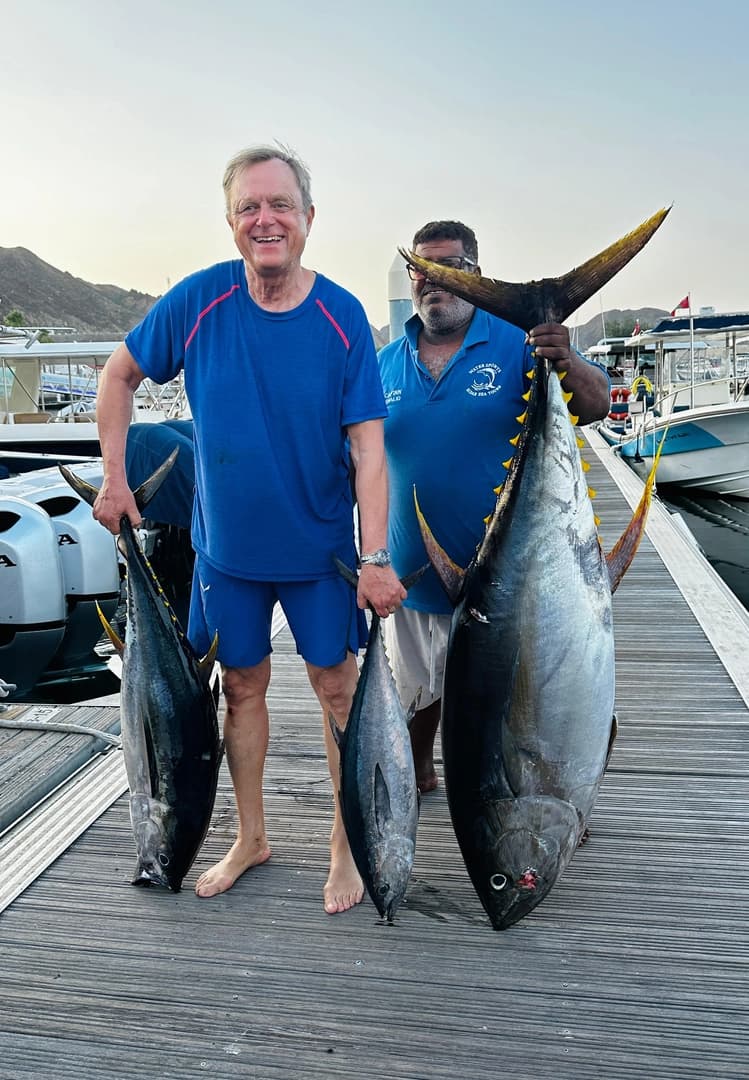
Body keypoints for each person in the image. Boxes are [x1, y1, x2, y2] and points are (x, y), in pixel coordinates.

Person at [92, 144, 406, 913]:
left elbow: (369, 450)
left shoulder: (340, 317)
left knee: (337, 690)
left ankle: (345, 844)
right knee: (240, 687)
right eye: (248, 208)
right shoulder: (198, 301)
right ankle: (251, 835)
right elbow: (117, 375)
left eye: (280, 206)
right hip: (226, 552)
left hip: (321, 552)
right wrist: (113, 477)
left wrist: (374, 555)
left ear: (307, 218)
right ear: (232, 220)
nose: (265, 220)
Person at [378, 220, 610, 793]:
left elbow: (599, 403)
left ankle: (563, 790)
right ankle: (422, 774)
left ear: (477, 275)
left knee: (527, 701)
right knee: (415, 696)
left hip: (513, 582)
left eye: (450, 268)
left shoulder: (519, 341)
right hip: (412, 577)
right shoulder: (385, 362)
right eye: (421, 270)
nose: (433, 281)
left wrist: (566, 361)